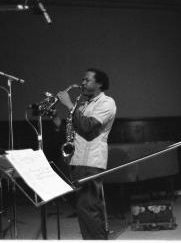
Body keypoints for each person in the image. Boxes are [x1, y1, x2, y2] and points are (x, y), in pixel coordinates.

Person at [54, 68, 116, 240]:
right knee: (83, 210)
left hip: (91, 161)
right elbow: (74, 129)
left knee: (89, 209)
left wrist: (68, 105)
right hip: (78, 160)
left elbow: (88, 127)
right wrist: (55, 116)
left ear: (99, 84)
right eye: (83, 79)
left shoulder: (107, 102)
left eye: (87, 80)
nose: (82, 82)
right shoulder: (83, 105)